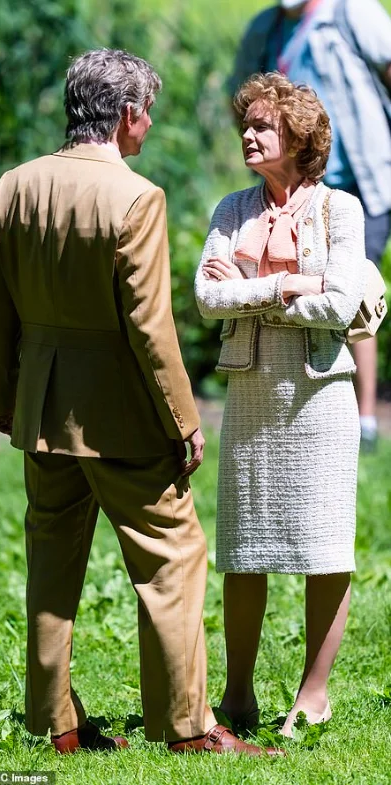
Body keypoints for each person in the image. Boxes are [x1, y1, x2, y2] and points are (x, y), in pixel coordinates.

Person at [0, 48, 282, 757]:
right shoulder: (136, 197)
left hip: (42, 410)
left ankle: (53, 723)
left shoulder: (13, 187)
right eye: (146, 111)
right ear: (125, 115)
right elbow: (150, 327)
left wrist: (1, 394)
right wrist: (184, 420)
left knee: (51, 565)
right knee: (174, 558)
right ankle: (188, 728)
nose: (148, 124)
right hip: (121, 416)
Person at [195, 72, 367, 737]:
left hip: (320, 397)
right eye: (246, 124)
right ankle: (237, 696)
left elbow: (341, 303)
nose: (248, 134)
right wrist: (290, 286)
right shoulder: (231, 209)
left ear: (298, 138)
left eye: (262, 125)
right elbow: (207, 298)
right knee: (245, 547)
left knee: (325, 545)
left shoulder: (341, 210)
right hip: (251, 394)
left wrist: (251, 286)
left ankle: (313, 695)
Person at [228, 0, 391, 450]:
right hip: (291, 187)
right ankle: (296, 405)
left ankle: (364, 419)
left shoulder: (352, 11)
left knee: (352, 286)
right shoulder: (265, 27)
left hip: (360, 181)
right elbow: (237, 97)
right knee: (294, 278)